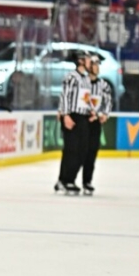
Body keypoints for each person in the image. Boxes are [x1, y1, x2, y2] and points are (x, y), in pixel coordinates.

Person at [54, 50, 93, 194]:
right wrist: (65, 114)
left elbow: (85, 99)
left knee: (82, 150)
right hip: (72, 115)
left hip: (83, 117)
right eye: (88, 59)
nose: (91, 62)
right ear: (81, 60)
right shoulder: (71, 77)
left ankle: (64, 180)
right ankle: (67, 180)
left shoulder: (86, 79)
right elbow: (64, 96)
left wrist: (91, 110)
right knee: (72, 150)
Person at [80, 53, 112, 195]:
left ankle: (87, 182)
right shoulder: (81, 82)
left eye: (98, 64)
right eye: (94, 64)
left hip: (95, 123)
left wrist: (104, 114)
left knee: (92, 153)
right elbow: (79, 100)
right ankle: (67, 179)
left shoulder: (103, 85)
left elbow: (108, 102)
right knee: (78, 153)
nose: (97, 67)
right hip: (82, 121)